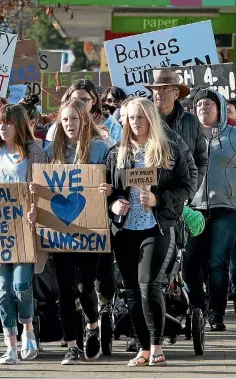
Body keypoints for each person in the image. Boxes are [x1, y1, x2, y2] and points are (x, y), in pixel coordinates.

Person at [103, 97, 191, 366]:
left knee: (148, 285)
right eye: (131, 117)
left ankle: (156, 346)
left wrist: (158, 200)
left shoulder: (170, 150)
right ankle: (142, 348)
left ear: (151, 119)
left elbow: (186, 187)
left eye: (141, 117)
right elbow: (108, 190)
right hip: (125, 229)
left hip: (156, 226)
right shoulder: (117, 152)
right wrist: (113, 203)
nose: (136, 122)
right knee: (130, 289)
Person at [31, 99, 110, 365]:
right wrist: (36, 188)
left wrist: (108, 188)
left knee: (84, 285)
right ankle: (73, 346)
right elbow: (43, 182)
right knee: (65, 289)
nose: (69, 125)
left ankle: (92, 324)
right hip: (60, 228)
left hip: (90, 227)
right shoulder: (53, 149)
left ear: (84, 121)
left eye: (74, 119)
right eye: (64, 120)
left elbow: (113, 179)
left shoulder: (100, 149)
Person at [0, 104, 46, 364]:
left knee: (21, 286)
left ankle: (28, 327)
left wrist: (36, 209)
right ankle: (11, 347)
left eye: (8, 123)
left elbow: (44, 187)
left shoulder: (34, 151)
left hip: (25, 230)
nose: (3, 127)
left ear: (19, 124)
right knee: (3, 291)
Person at [186, 89, 236, 331]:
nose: (203, 108)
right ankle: (197, 308)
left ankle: (216, 314)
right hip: (193, 209)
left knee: (217, 263)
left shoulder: (233, 136)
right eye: (199, 105)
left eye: (209, 104)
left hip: (226, 209)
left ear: (220, 108)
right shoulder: (186, 137)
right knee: (190, 265)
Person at [144, 68, 207, 195]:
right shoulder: (143, 119)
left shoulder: (191, 121)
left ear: (176, 94)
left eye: (165, 88)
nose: (159, 93)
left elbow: (201, 159)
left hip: (181, 198)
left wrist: (190, 190)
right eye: (156, 88)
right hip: (149, 196)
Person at [46, 79, 123, 146]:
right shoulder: (60, 125)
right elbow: (51, 151)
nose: (79, 103)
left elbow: (118, 150)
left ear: (94, 100)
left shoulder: (111, 124)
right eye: (74, 99)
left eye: (84, 100)